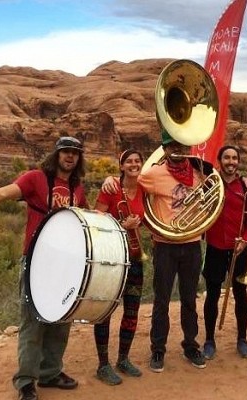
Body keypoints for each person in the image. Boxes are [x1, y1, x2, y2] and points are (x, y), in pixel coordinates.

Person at [0, 136, 88, 400]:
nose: (70, 157)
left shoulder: (78, 188)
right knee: (32, 320)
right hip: (37, 260)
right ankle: (25, 381)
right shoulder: (35, 178)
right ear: (56, 155)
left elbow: (83, 222)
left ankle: (50, 372)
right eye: (65, 152)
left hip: (65, 263)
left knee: (62, 318)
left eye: (75, 153)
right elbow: (3, 194)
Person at [102, 129, 209, 373]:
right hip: (165, 246)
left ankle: (190, 345)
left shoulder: (198, 172)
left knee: (190, 299)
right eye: (172, 146)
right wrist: (110, 177)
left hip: (192, 243)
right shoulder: (154, 174)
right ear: (165, 149)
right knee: (161, 300)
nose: (178, 150)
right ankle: (158, 349)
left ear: (189, 147)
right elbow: (127, 182)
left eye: (182, 145)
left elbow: (210, 197)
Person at [93, 149, 145, 385]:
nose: (134, 164)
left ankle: (123, 358)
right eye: (129, 162)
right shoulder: (111, 187)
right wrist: (121, 225)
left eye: (137, 161)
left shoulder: (144, 189)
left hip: (134, 258)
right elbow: (96, 219)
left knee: (132, 311)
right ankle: (103, 365)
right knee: (105, 312)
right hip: (112, 259)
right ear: (122, 166)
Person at [202, 145, 247, 360]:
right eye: (227, 158)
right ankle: (209, 340)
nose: (231, 161)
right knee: (212, 295)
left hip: (239, 248)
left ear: (238, 161)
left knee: (240, 295)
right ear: (220, 160)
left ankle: (242, 339)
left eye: (234, 158)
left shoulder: (246, 186)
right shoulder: (210, 184)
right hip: (215, 246)